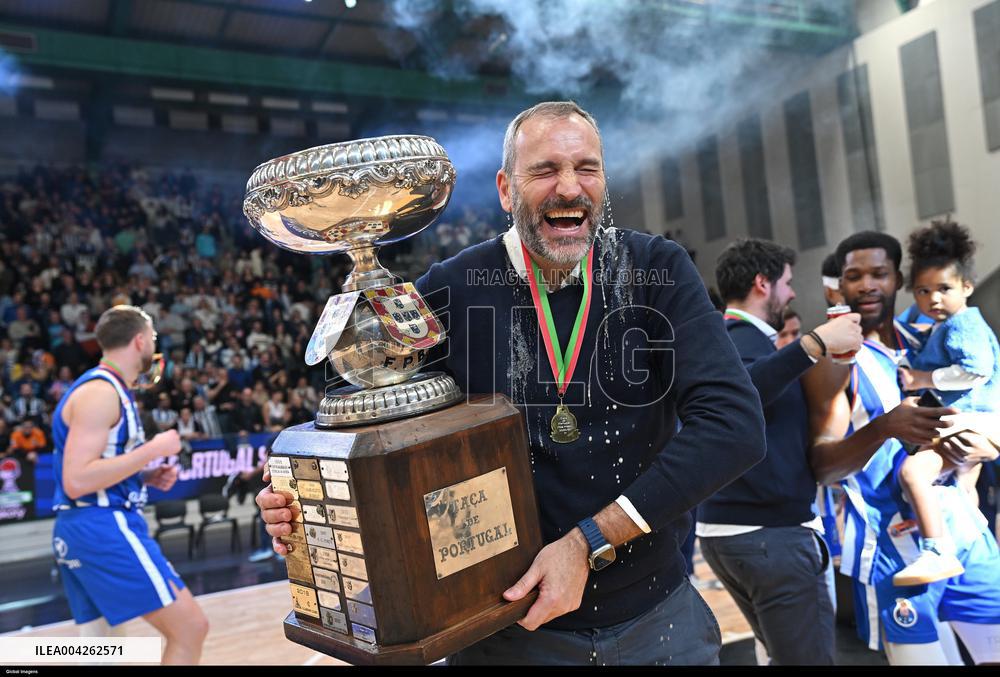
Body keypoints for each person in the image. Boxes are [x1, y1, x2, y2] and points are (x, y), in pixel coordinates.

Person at [257, 101, 766, 665]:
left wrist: (589, 541)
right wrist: (302, 496)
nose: (569, 187)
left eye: (587, 168)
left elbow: (734, 428)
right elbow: (367, 424)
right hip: (502, 633)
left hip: (658, 621)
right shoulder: (450, 288)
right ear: (505, 189)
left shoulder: (656, 269)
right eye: (544, 170)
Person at [802, 232, 1000, 665]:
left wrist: (985, 446)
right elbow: (822, 466)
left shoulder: (928, 340)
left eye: (879, 273)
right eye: (854, 276)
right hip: (897, 550)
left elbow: (984, 398)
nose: (867, 284)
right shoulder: (836, 363)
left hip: (964, 530)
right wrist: (883, 428)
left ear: (897, 279)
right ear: (840, 285)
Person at [698, 238, 862, 665]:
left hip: (737, 534)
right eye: (787, 283)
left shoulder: (728, 340)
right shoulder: (736, 340)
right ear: (762, 283)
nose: (791, 294)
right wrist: (814, 344)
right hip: (767, 535)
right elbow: (744, 393)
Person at [50, 305, 209, 664]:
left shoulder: (110, 389)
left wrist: (143, 475)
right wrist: (153, 449)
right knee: (190, 628)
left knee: (103, 649)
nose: (154, 345)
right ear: (139, 341)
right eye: (152, 337)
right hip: (101, 524)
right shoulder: (101, 393)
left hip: (84, 525)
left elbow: (92, 468)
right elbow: (76, 480)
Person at [893, 220, 999, 586]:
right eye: (923, 291)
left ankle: (936, 551)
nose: (933, 299)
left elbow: (976, 369)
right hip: (970, 422)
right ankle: (969, 540)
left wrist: (923, 379)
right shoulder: (946, 324)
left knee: (913, 473)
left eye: (944, 289)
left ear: (967, 286)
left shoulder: (963, 324)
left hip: (968, 421)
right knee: (963, 491)